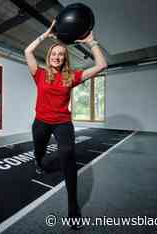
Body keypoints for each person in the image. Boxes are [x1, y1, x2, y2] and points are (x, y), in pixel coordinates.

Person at [24, 21, 107, 229]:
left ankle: (73, 206)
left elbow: (101, 65)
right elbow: (27, 51)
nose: (57, 56)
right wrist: (45, 35)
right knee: (39, 151)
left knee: (68, 156)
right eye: (54, 53)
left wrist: (91, 42)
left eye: (61, 54)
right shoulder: (39, 74)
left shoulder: (71, 76)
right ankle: (39, 161)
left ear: (65, 58)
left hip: (62, 123)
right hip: (41, 122)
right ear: (50, 55)